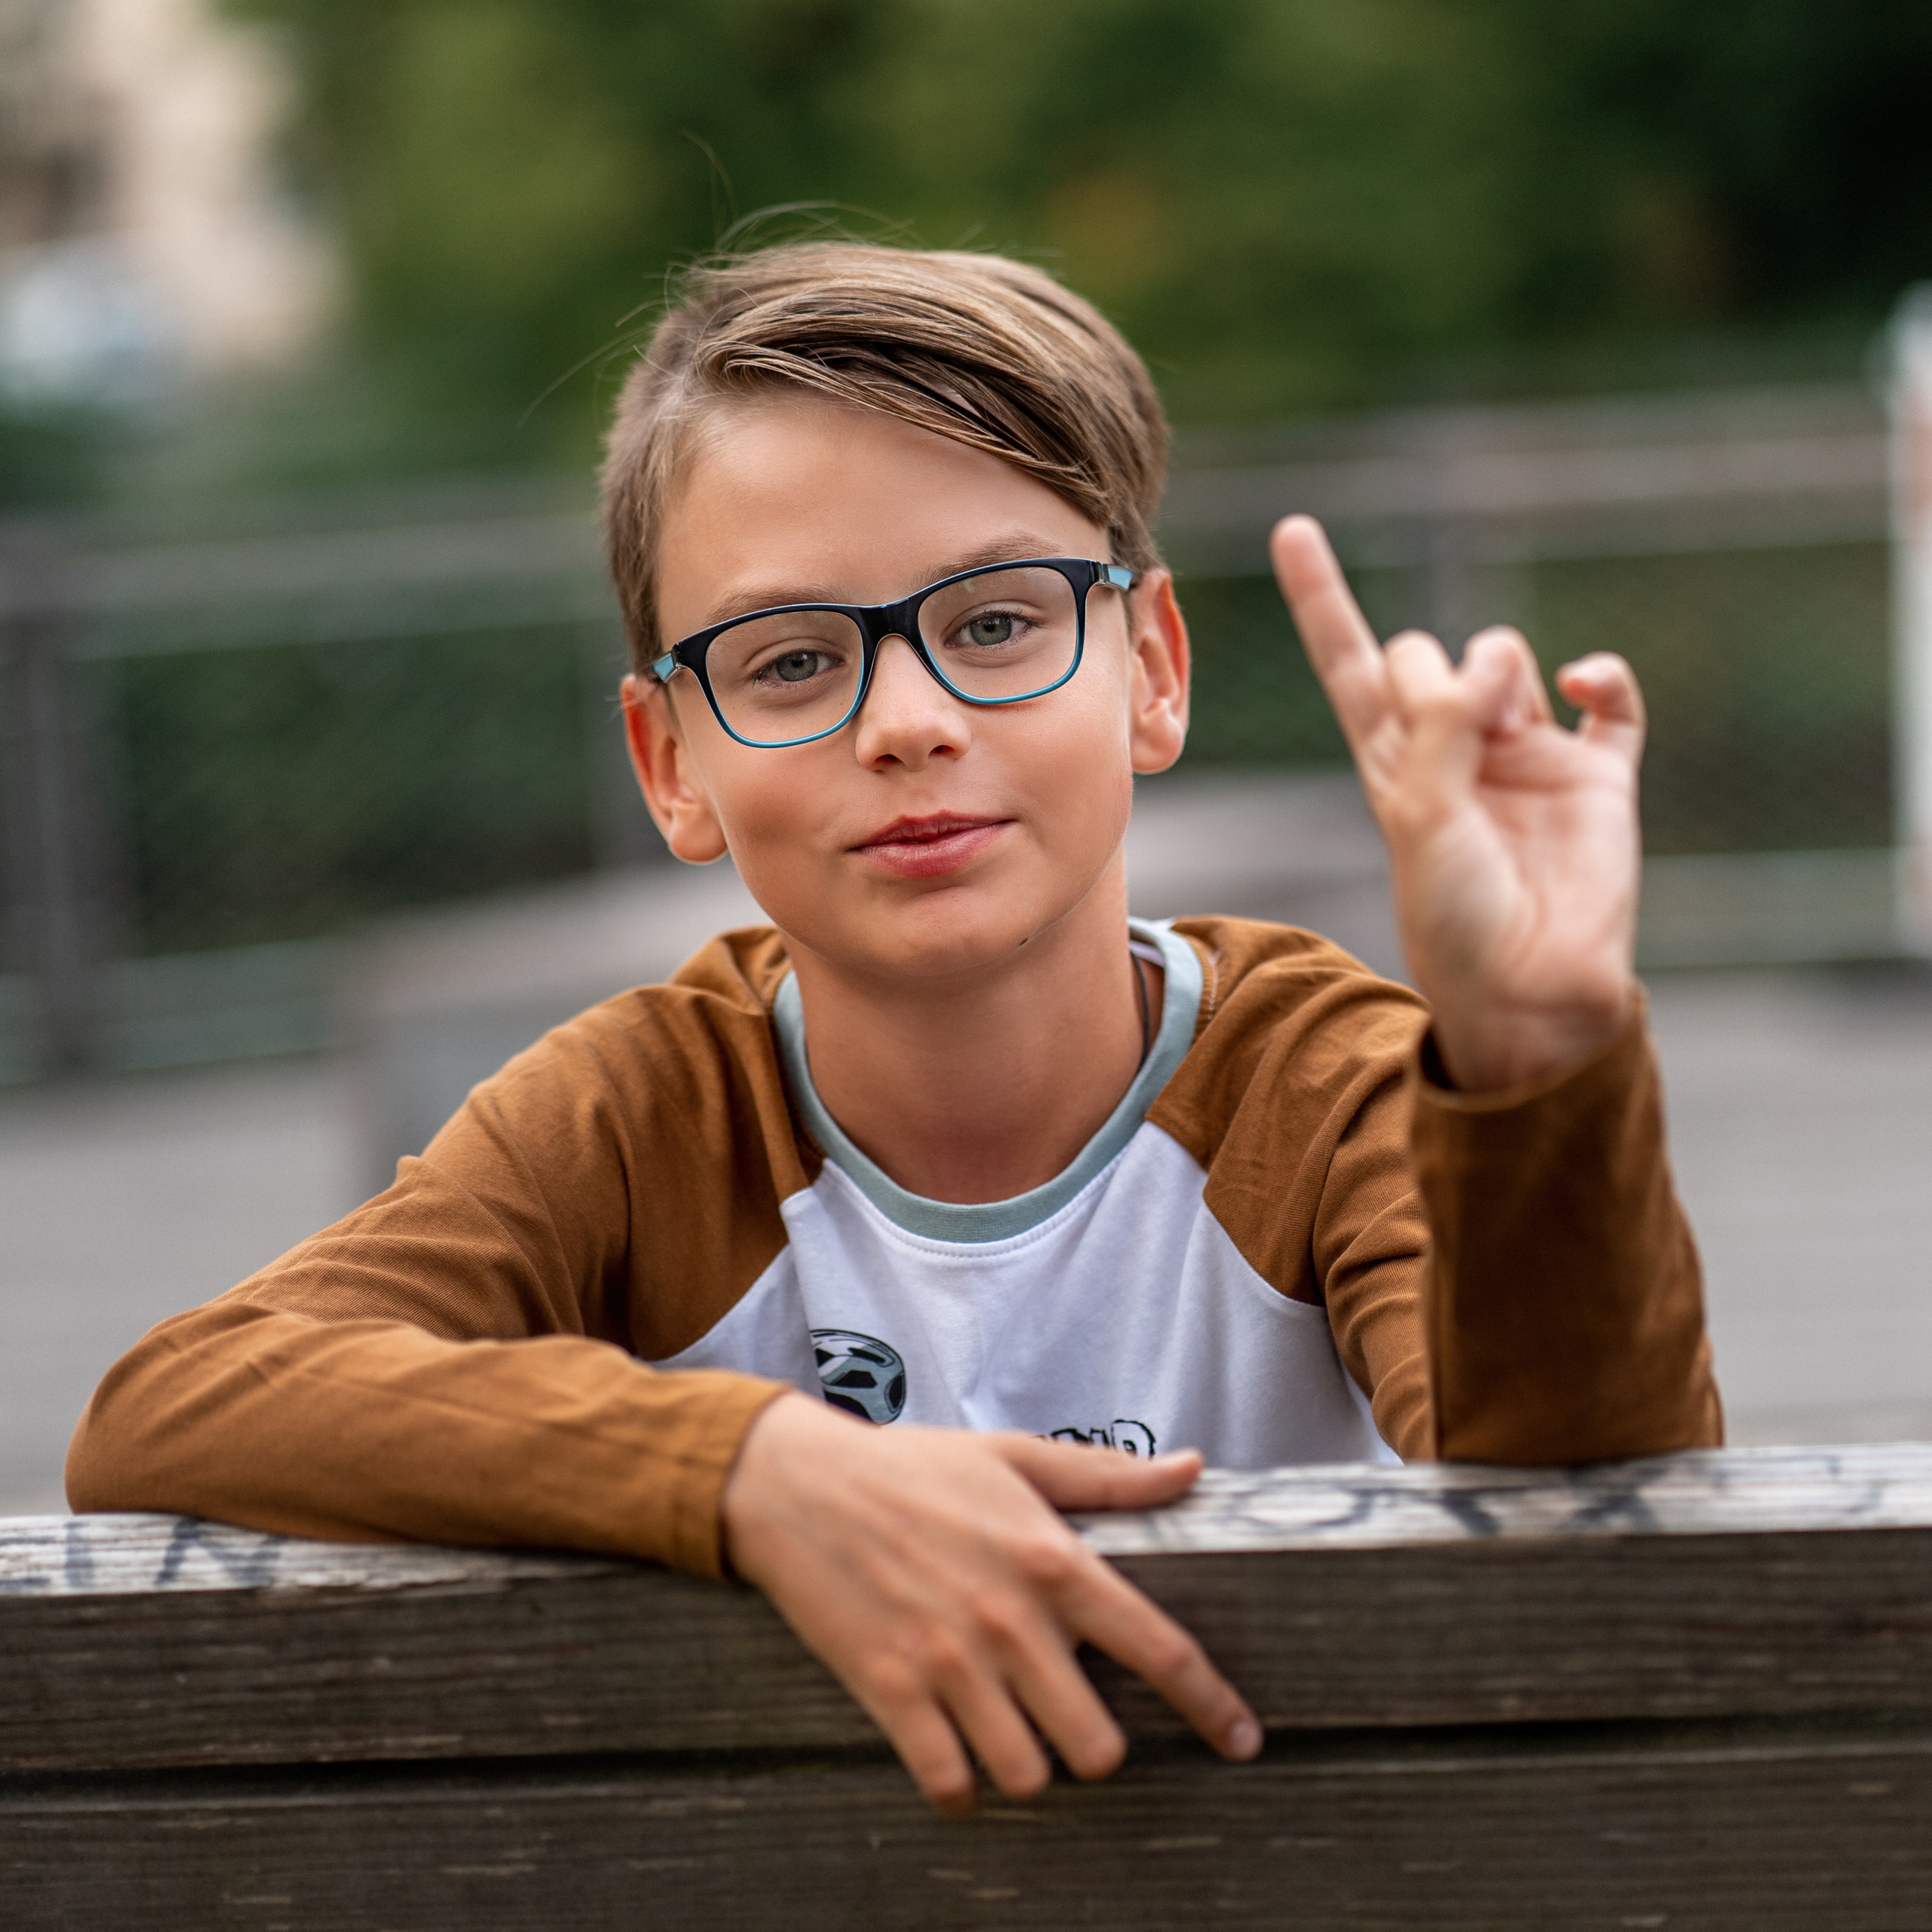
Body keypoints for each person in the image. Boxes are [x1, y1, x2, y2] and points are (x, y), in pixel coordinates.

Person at [66, 240, 1720, 1816]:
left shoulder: (1328, 1084)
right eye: (790, 660)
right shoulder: (633, 1119)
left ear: (1146, 666)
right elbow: (174, 1403)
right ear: (668, 763)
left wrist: (1532, 1060)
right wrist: (753, 1467)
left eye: (995, 619)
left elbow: (1581, 1477)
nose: (908, 721)